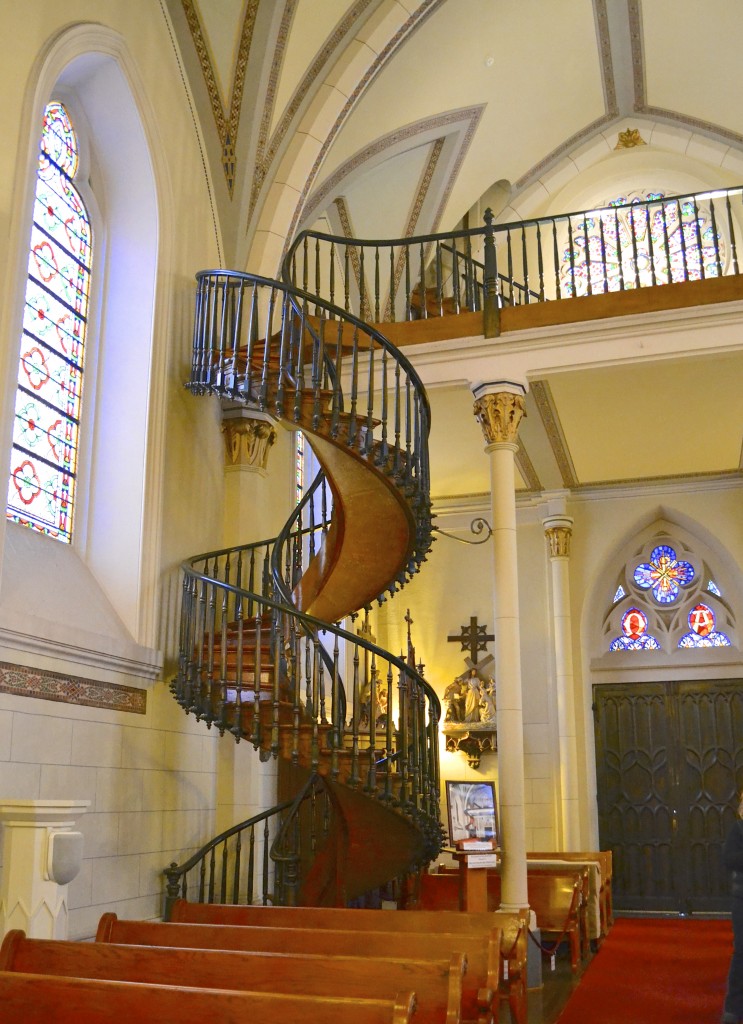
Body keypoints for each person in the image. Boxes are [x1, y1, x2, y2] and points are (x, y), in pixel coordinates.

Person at [722, 792, 743, 1024]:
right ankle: (734, 1007)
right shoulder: (738, 830)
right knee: (742, 953)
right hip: (742, 900)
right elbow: (728, 859)